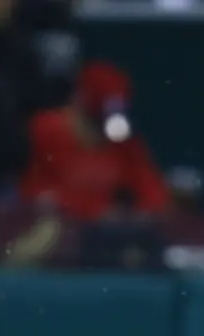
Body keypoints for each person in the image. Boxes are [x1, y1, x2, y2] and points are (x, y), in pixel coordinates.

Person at [20, 61, 170, 223]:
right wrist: (95, 210)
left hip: (104, 230)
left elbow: (152, 191)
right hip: (54, 225)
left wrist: (142, 213)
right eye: (100, 114)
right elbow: (35, 193)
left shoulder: (119, 137)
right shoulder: (46, 129)